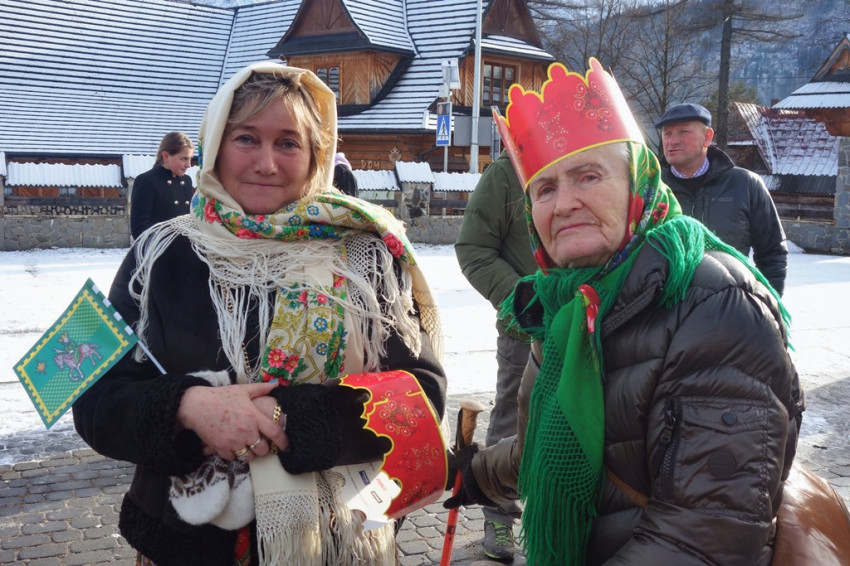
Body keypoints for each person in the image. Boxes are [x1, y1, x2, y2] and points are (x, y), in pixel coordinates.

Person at [73, 62, 447, 566]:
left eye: (288, 143)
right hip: (184, 544)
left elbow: (422, 395)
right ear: (215, 145)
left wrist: (287, 419)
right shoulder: (157, 252)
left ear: (316, 155)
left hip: (337, 540)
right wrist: (188, 408)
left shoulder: (369, 257)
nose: (267, 163)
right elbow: (90, 396)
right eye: (246, 138)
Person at [444, 59, 803, 565]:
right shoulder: (568, 308)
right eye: (545, 189)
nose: (564, 204)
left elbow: (703, 537)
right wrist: (469, 474)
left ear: (639, 185)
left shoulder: (717, 311)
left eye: (588, 176)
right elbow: (548, 447)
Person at [454, 149, 537, 561]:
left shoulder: (591, 161)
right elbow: (474, 248)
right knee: (513, 419)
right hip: (526, 329)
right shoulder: (506, 174)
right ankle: (499, 518)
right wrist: (527, 300)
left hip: (595, 328)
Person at [654, 103, 788, 295]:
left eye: (683, 132)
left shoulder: (745, 185)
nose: (672, 141)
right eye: (667, 134)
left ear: (707, 137)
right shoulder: (650, 189)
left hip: (730, 303)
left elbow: (772, 253)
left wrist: (767, 303)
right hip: (665, 305)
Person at [130, 131, 195, 239]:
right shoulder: (146, 181)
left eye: (190, 159)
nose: (189, 165)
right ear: (166, 156)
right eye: (184, 159)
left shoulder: (187, 181)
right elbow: (139, 230)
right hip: (160, 248)